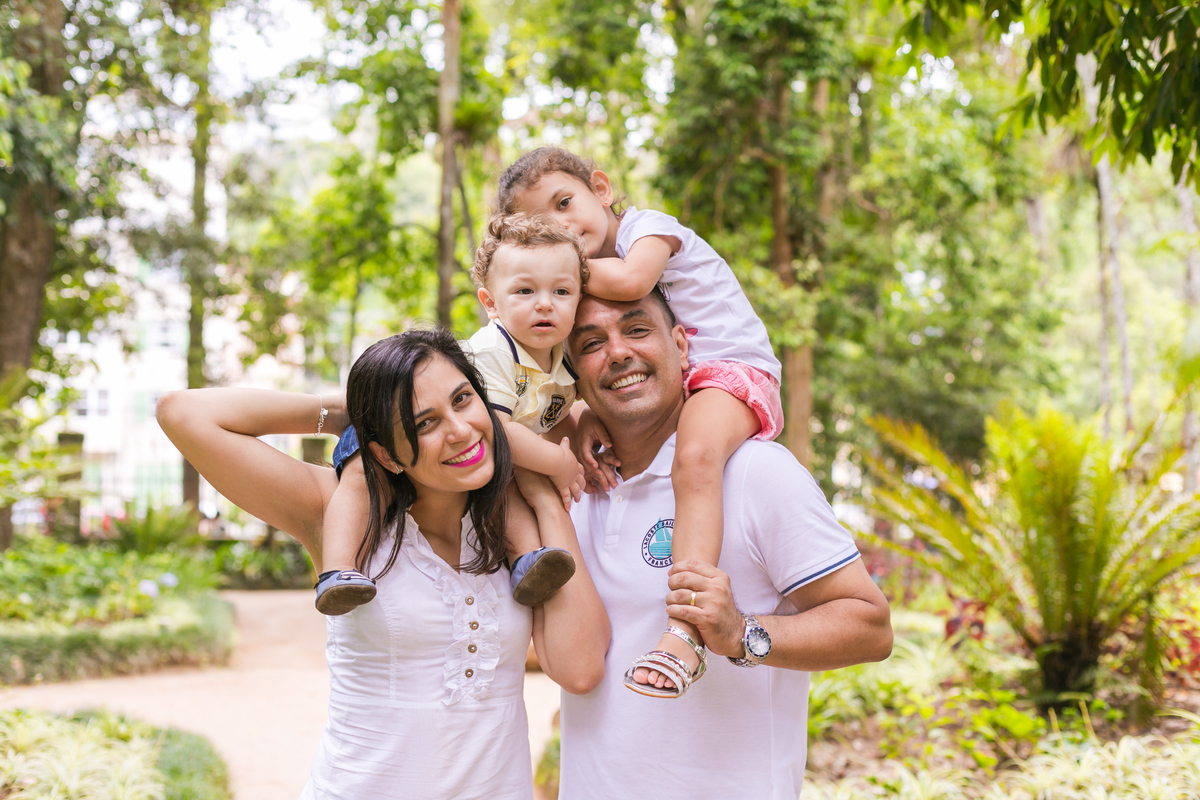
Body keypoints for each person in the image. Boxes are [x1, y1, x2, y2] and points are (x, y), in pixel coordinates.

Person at [155, 328, 609, 799]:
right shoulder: (340, 515)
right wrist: (350, 411)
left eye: (463, 399)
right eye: (423, 423)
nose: (459, 430)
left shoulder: (518, 532)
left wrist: (544, 500)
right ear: (386, 454)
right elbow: (182, 413)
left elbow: (579, 670)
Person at [559, 290, 893, 798]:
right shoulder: (568, 489)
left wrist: (741, 632)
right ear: (574, 375)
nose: (618, 352)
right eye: (590, 343)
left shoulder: (757, 472)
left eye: (637, 329)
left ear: (681, 345)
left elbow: (871, 627)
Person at [498, 146, 784, 696]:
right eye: (543, 224)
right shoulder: (584, 294)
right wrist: (580, 417)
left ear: (601, 190)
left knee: (696, 459)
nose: (562, 225)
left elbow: (631, 283)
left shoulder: (648, 229)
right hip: (696, 377)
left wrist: (553, 270)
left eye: (565, 203)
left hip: (735, 370)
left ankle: (686, 629)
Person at [315, 215, 589, 616]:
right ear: (490, 303)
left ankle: (529, 559)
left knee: (511, 482)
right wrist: (559, 462)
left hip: (468, 439)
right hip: (403, 420)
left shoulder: (562, 360)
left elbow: (552, 415)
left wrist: (582, 428)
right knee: (359, 481)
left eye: (562, 291)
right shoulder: (498, 351)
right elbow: (501, 429)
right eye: (525, 291)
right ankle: (338, 570)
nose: (545, 303)